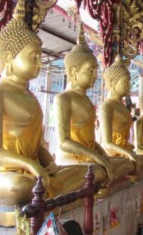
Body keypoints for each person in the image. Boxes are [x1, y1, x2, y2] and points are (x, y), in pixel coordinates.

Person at [0, 0, 87, 226]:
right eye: (34, 57)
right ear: (10, 57)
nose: (40, 63)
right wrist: (31, 166)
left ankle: (47, 191)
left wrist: (49, 165)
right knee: (22, 187)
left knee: (90, 174)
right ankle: (39, 197)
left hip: (36, 172)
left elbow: (37, 147)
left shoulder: (31, 97)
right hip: (4, 176)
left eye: (39, 57)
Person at [55, 23, 134, 184]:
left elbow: (92, 141)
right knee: (99, 172)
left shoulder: (86, 100)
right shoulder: (64, 98)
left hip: (90, 159)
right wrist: (99, 158)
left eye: (96, 71)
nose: (96, 76)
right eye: (90, 70)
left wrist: (102, 157)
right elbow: (64, 142)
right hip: (72, 159)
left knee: (127, 164)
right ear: (73, 72)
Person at [99, 57, 143, 171]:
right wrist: (129, 153)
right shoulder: (107, 106)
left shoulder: (123, 107)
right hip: (111, 155)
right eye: (126, 82)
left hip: (124, 153)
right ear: (113, 82)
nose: (130, 85)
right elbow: (106, 143)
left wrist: (130, 152)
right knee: (130, 165)